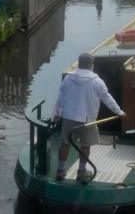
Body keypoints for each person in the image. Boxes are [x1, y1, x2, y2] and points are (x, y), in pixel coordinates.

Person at [52, 53, 126, 182]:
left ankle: (60, 170)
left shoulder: (68, 79)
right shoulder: (97, 82)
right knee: (85, 145)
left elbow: (60, 99)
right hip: (87, 120)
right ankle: (81, 172)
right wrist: (119, 112)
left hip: (69, 118)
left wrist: (57, 115)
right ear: (91, 66)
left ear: (79, 64)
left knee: (65, 143)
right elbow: (107, 98)